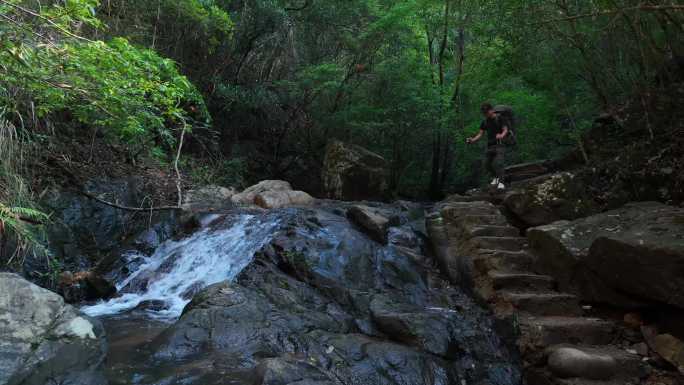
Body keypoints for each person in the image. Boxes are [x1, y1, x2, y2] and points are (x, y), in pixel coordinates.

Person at [466, 102, 510, 190]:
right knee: (486, 164)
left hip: (499, 144)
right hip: (490, 145)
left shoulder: (500, 118)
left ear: (492, 110)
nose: (486, 114)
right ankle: (496, 178)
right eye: (484, 113)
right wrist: (472, 140)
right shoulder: (485, 121)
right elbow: (480, 134)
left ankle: (501, 182)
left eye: (487, 112)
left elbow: (505, 129)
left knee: (499, 163)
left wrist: (501, 135)